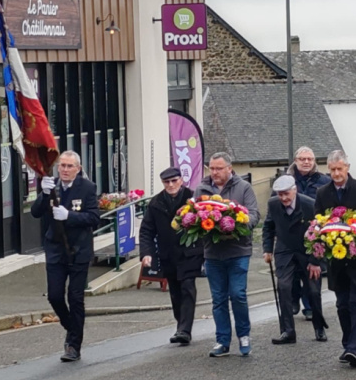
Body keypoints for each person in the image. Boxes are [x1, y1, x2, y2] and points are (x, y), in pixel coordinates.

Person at [31, 151, 100, 363]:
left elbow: (94, 218)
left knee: (76, 298)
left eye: (70, 166)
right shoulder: (52, 187)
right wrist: (43, 195)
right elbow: (35, 212)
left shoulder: (88, 188)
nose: (65, 170)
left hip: (78, 250)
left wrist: (69, 216)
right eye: (62, 166)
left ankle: (73, 345)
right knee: (54, 296)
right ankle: (72, 327)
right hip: (55, 250)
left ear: (78, 169)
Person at [313, 150, 356, 368]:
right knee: (341, 305)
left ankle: (353, 348)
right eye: (332, 170)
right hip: (337, 261)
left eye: (339, 169)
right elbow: (318, 223)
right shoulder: (322, 193)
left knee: (355, 302)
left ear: (347, 168)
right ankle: (348, 343)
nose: (336, 173)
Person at [194, 152, 260, 358]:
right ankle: (222, 341)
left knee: (238, 294)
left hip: (238, 251)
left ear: (229, 168)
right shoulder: (202, 189)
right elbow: (194, 215)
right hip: (213, 253)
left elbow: (254, 215)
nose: (214, 172)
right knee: (219, 299)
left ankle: (244, 335)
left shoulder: (244, 188)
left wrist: (237, 222)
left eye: (219, 168)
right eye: (212, 168)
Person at [138, 167, 205, 346]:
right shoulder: (156, 203)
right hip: (168, 255)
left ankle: (185, 330)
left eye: (174, 181)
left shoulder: (192, 198)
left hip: (190, 252)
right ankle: (180, 326)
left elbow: (205, 225)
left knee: (187, 287)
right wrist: (146, 253)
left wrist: (205, 251)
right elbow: (146, 230)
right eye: (167, 182)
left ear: (181, 180)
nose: (171, 185)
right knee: (175, 292)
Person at [262, 175, 328, 344]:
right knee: (283, 287)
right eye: (280, 194)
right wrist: (267, 249)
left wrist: (315, 261)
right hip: (284, 251)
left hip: (307, 251)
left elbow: (321, 234)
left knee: (313, 291)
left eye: (286, 194)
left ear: (294, 190)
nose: (283, 198)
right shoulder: (273, 204)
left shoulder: (309, 204)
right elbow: (268, 226)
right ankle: (288, 331)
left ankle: (319, 328)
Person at [283, 146, 331, 320]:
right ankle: (294, 299)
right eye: (302, 159)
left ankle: (310, 306)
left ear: (314, 161)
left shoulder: (324, 181)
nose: (306, 162)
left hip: (314, 233)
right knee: (292, 272)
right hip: (290, 233)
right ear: (295, 161)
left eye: (309, 159)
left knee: (311, 271)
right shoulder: (285, 180)